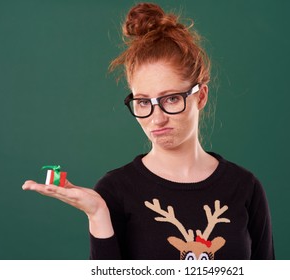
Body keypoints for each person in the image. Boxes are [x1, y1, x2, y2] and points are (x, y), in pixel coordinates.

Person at [22, 2, 275, 260]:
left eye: (171, 99)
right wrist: (97, 214)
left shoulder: (245, 187)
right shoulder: (115, 190)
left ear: (201, 97)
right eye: (143, 102)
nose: (157, 118)